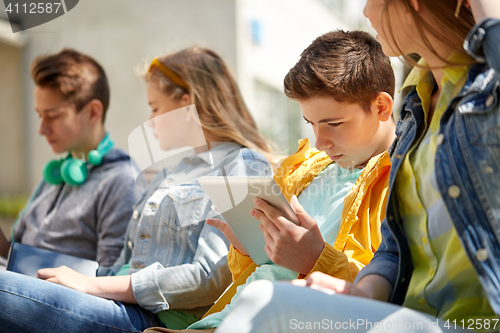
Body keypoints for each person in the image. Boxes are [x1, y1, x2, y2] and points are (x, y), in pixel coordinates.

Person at [215, 1, 500, 332]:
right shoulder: (416, 107)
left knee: (267, 303)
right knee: (259, 300)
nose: (365, 11)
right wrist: (359, 292)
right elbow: (397, 248)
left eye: (374, 0)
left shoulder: (483, 95)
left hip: (473, 321)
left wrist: (320, 263)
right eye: (312, 124)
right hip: (406, 317)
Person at [0, 46, 274, 333]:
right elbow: (121, 265)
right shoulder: (170, 173)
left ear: (187, 104)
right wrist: (72, 282)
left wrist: (91, 284)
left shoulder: (243, 165)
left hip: (152, 320)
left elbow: (211, 278)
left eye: (155, 108)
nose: (150, 121)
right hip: (114, 306)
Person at [145, 30, 397, 333]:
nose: (320, 142)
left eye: (333, 124)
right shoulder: (305, 169)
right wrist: (248, 249)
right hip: (220, 322)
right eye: (311, 125)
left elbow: (381, 295)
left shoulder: (400, 180)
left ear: (381, 107)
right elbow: (263, 273)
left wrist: (316, 259)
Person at [0, 49, 143, 268]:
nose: (42, 129)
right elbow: (12, 256)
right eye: (40, 115)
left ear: (93, 113)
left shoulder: (122, 181)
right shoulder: (56, 173)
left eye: (53, 116)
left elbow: (108, 282)